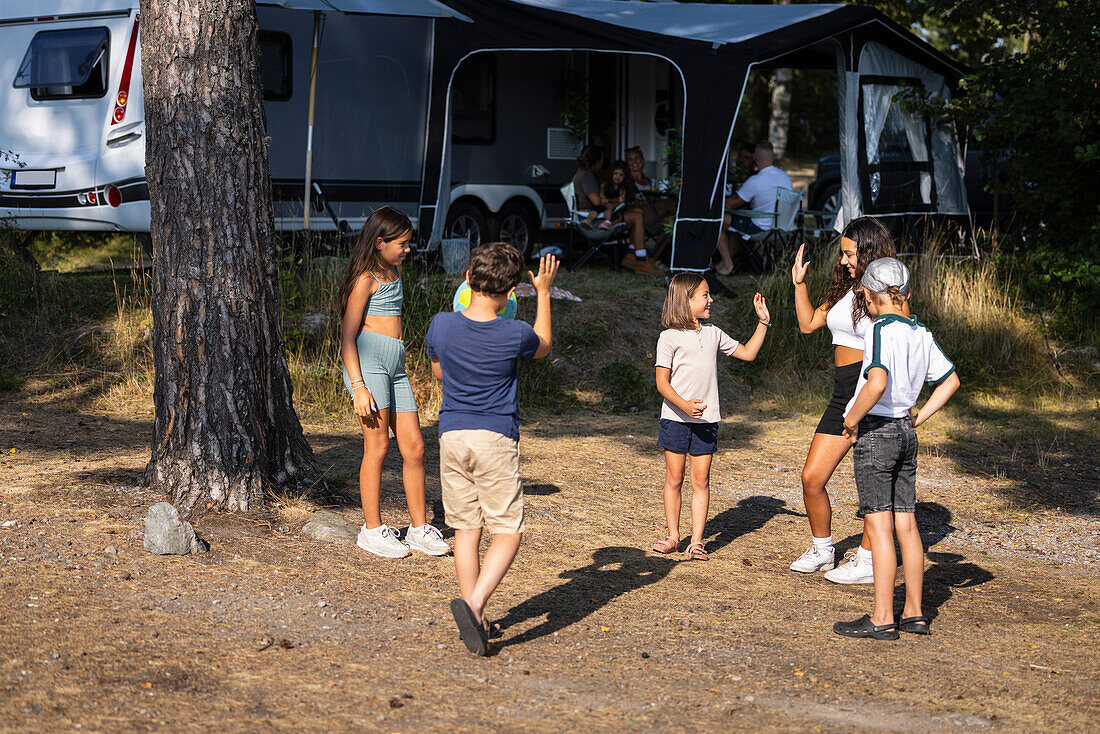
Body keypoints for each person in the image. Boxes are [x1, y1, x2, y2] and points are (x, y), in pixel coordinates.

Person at [426, 243, 559, 656]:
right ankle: (473, 605)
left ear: (467, 279)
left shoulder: (441, 325)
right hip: (494, 438)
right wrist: (544, 293)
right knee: (507, 530)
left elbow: (439, 372)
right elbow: (543, 345)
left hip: (452, 436)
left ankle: (478, 625)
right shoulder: (513, 332)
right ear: (512, 292)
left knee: (466, 530)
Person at [834, 257, 960, 639]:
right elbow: (950, 380)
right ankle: (916, 613)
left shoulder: (878, 329)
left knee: (879, 525)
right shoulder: (920, 331)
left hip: (877, 432)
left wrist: (851, 419)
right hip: (906, 429)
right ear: (905, 292)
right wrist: (918, 418)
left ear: (871, 296)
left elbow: (875, 382)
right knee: (907, 522)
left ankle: (882, 617)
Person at [787, 217, 897, 584]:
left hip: (870, 389)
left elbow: (896, 340)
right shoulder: (845, 288)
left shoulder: (886, 291)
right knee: (811, 477)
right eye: (843, 254)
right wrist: (799, 284)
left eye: (850, 254)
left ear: (869, 252)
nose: (845, 260)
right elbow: (807, 325)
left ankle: (868, 560)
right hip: (841, 393)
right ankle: (823, 550)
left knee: (872, 485)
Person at [338, 207, 450, 558]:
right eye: (401, 243)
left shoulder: (395, 270)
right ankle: (371, 530)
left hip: (395, 364)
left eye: (408, 243)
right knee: (378, 447)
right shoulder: (365, 279)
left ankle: (418, 529)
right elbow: (346, 336)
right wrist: (358, 386)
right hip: (368, 365)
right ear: (379, 242)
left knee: (415, 447)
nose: (407, 249)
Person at [652, 274, 771, 560]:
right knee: (674, 478)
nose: (711, 300)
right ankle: (673, 536)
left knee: (701, 481)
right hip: (675, 420)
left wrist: (763, 322)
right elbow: (662, 383)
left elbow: (748, 353)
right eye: (705, 295)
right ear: (686, 300)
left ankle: (696, 542)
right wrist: (683, 405)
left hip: (706, 422)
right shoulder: (668, 337)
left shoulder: (714, 333)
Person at [573, 146, 658, 274]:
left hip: (598, 215)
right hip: (594, 220)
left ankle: (631, 256)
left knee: (638, 212)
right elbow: (597, 201)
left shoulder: (582, 174)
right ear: (597, 161)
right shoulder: (586, 176)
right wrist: (613, 200)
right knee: (637, 216)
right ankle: (641, 261)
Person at [716, 141, 794, 276]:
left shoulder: (756, 180)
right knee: (737, 222)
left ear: (755, 159)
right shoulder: (785, 176)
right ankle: (731, 258)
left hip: (761, 228)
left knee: (718, 218)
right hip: (783, 227)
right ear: (773, 156)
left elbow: (729, 204)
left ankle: (727, 263)